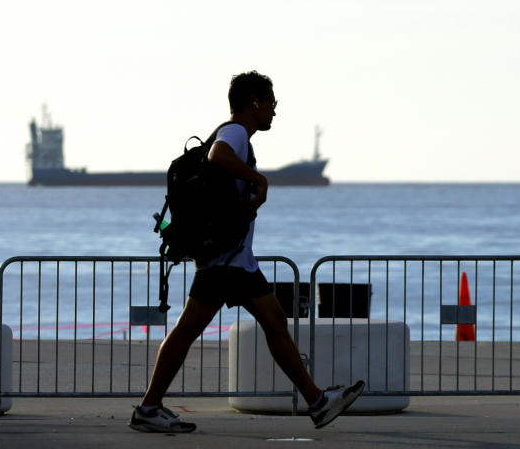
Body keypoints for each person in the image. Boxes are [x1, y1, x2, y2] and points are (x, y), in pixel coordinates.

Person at [129, 71, 363, 433]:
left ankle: (316, 402)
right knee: (196, 330)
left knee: (272, 322)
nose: (273, 111)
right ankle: (149, 408)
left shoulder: (240, 137)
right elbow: (217, 154)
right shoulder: (235, 133)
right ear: (253, 101)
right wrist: (259, 180)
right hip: (226, 263)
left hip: (233, 260)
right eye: (271, 103)